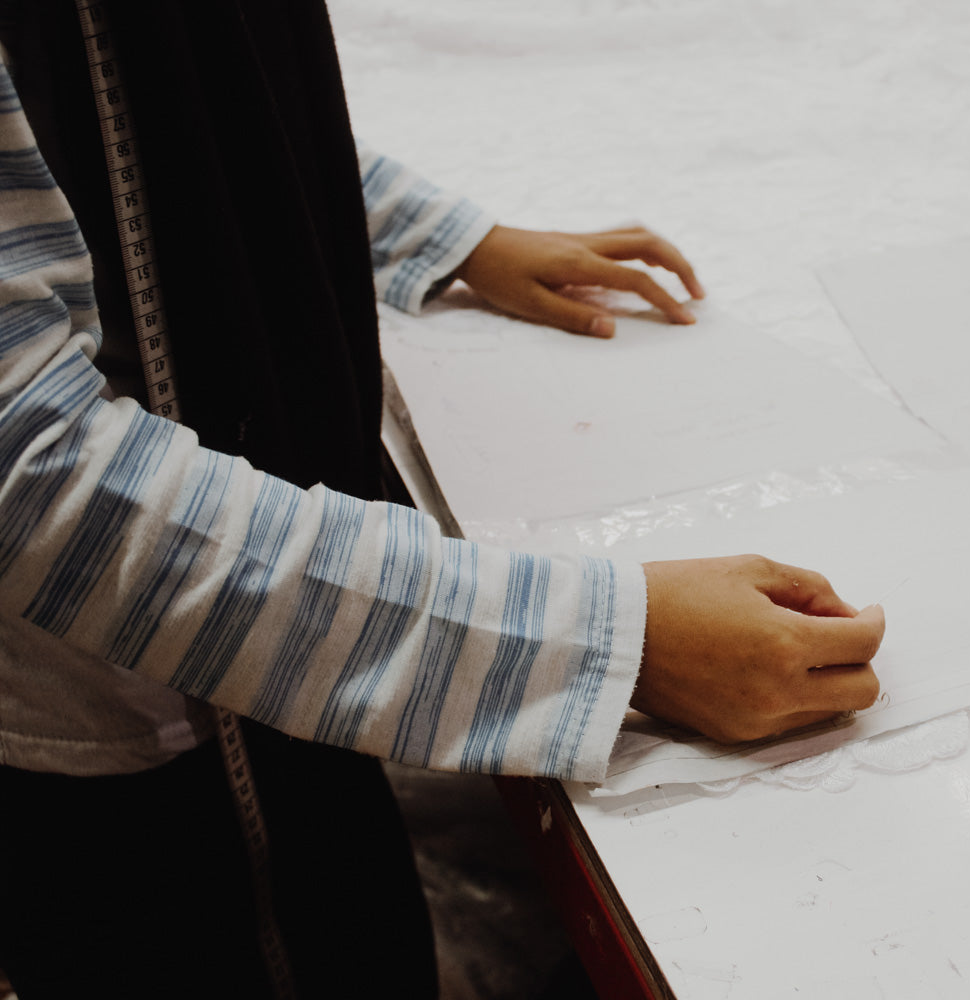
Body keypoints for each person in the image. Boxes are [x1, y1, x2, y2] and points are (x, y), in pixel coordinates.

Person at [0, 1, 884, 996]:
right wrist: (596, 645)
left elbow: (189, 98)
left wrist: (441, 235)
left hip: (279, 617)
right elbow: (34, 474)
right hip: (139, 699)